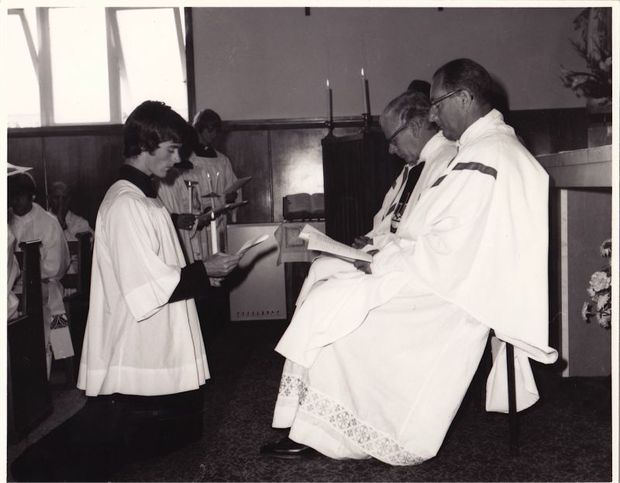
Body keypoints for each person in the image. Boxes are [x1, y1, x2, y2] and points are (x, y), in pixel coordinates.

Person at [260, 58, 558, 465]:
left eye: (438, 104)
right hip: (442, 276)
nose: (432, 114)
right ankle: (313, 424)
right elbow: (432, 233)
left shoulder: (489, 154)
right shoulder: (480, 149)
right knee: (334, 292)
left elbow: (448, 249)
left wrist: (384, 260)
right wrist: (385, 254)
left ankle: (335, 433)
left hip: (454, 295)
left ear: (466, 97)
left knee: (337, 307)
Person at [76, 101, 242, 458]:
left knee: (172, 437)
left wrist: (204, 275)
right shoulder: (125, 203)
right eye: (171, 149)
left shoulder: (143, 198)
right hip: (134, 329)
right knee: (130, 442)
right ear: (143, 145)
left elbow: (161, 264)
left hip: (156, 314)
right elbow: (144, 283)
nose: (177, 158)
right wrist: (203, 271)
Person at [353, 90, 457, 251]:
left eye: (394, 140)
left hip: (410, 262)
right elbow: (394, 222)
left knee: (323, 270)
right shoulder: (416, 164)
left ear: (415, 127)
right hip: (393, 254)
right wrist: (374, 242)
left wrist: (379, 250)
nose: (391, 150)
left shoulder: (446, 162)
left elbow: (423, 236)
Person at [8, 172, 73, 376]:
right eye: (12, 196)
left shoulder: (48, 222)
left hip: (44, 284)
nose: (16, 201)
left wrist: (28, 275)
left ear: (32, 196)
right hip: (10, 287)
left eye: (21, 195)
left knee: (40, 310)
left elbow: (56, 266)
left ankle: (38, 374)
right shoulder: (6, 220)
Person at [158, 108, 241, 263]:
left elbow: (196, 200)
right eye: (210, 130)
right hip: (183, 229)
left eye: (216, 130)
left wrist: (228, 199)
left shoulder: (221, 160)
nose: (214, 135)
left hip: (211, 223)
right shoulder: (176, 170)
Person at [48, 181, 94, 291]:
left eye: (64, 198)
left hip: (75, 286)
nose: (60, 202)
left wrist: (63, 229)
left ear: (69, 199)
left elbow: (88, 252)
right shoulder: (41, 221)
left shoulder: (81, 223)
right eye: (56, 198)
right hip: (48, 284)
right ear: (49, 198)